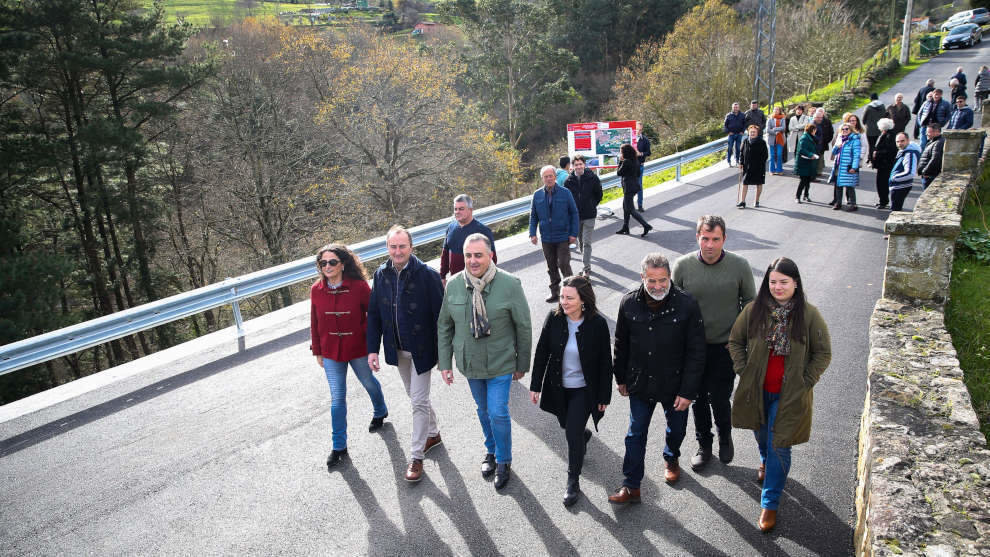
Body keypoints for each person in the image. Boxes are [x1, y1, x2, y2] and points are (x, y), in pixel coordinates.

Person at [728, 257, 831, 533]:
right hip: (758, 392)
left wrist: (806, 381)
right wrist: (744, 369)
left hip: (789, 397)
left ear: (795, 283)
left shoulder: (809, 315)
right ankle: (764, 460)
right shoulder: (753, 311)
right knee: (762, 436)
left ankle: (769, 503)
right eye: (772, 282)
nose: (777, 287)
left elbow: (823, 353)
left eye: (783, 282)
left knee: (778, 445)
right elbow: (735, 342)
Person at [607, 253, 705, 504]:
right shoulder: (628, 303)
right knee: (635, 433)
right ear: (643, 278)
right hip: (641, 382)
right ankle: (631, 486)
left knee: (677, 429)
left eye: (663, 280)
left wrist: (688, 391)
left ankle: (671, 457)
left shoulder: (687, 304)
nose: (658, 286)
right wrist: (620, 377)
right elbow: (620, 343)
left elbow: (696, 351)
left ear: (670, 277)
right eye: (652, 280)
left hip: (675, 385)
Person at [438, 233, 532, 490]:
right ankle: (491, 449)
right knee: (483, 410)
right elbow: (445, 326)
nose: (473, 260)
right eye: (468, 255)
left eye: (478, 255)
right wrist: (445, 363)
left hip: (501, 362)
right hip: (471, 364)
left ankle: (504, 460)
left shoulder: (510, 284)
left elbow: (523, 326)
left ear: (490, 255)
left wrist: (522, 363)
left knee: (498, 411)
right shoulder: (454, 285)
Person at [672, 216, 756, 471]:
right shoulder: (683, 266)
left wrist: (740, 340)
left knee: (719, 397)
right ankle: (704, 445)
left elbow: (750, 305)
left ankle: (724, 436)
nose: (709, 245)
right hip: (693, 348)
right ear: (697, 237)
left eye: (715, 239)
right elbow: (674, 306)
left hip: (725, 346)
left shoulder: (740, 266)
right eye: (704, 238)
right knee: (697, 398)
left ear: (724, 239)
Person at [367, 226, 445, 482]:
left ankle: (416, 457)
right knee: (415, 396)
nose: (397, 251)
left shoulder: (427, 276)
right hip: (397, 349)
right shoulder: (381, 275)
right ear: (387, 248)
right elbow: (375, 315)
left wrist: (445, 355)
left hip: (423, 350)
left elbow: (442, 319)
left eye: (402, 246)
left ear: (411, 247)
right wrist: (372, 349)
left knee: (417, 402)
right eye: (393, 246)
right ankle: (432, 433)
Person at [529, 275, 613, 507]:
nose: (563, 302)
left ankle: (573, 480)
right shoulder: (553, 319)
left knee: (571, 433)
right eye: (562, 297)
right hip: (559, 387)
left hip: (584, 390)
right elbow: (542, 353)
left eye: (569, 298)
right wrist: (535, 385)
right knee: (569, 426)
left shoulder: (597, 324)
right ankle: (581, 435)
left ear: (583, 300)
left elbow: (606, 362)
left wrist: (604, 396)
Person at [311, 244, 389, 469]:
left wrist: (369, 341)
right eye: (323, 263)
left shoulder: (359, 287)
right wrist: (317, 350)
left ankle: (380, 410)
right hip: (331, 352)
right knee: (337, 399)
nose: (327, 266)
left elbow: (373, 316)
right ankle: (339, 446)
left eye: (332, 262)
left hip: (357, 347)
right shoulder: (316, 290)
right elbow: (314, 322)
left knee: (369, 383)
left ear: (343, 264)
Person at [530, 165, 579, 303]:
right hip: (546, 238)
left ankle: (572, 291)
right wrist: (532, 233)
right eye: (546, 177)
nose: (548, 179)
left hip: (563, 236)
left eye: (551, 176)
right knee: (551, 266)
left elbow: (574, 213)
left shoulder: (565, 193)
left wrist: (573, 233)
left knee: (564, 264)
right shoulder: (537, 194)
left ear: (555, 177)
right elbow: (533, 216)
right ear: (542, 179)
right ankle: (555, 292)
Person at [440, 194, 497, 287]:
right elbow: (445, 254)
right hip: (456, 281)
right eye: (455, 209)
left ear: (470, 210)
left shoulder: (482, 230)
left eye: (461, 209)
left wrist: (485, 281)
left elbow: (492, 258)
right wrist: (442, 276)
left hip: (478, 283)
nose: (457, 212)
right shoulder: (450, 228)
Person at [563, 155, 603, 277]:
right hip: (576, 217)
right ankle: (585, 264)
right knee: (580, 241)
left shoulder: (592, 178)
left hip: (589, 215)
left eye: (581, 164)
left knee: (586, 242)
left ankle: (586, 268)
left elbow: (599, 194)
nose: (579, 167)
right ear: (573, 166)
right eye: (576, 165)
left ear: (584, 165)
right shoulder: (568, 181)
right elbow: (566, 200)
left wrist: (592, 204)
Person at [615, 143, 652, 237]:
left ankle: (646, 225)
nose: (620, 154)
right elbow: (638, 174)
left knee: (630, 209)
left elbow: (619, 173)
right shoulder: (636, 160)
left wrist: (620, 162)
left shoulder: (626, 162)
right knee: (625, 207)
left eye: (621, 152)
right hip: (635, 186)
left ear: (624, 153)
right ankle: (625, 227)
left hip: (629, 188)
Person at [830, 122, 861, 211]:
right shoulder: (840, 139)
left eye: (846, 129)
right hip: (839, 166)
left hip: (848, 166)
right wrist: (837, 146)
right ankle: (838, 203)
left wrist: (854, 167)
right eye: (843, 129)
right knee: (838, 185)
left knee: (849, 186)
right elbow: (834, 152)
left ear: (851, 130)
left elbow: (856, 155)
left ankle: (853, 204)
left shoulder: (855, 140)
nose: (844, 131)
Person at [738, 124, 768, 209]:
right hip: (747, 167)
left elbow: (765, 155)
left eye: (754, 132)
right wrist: (740, 163)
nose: (752, 133)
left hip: (758, 167)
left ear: (757, 133)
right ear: (748, 132)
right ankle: (742, 201)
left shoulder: (762, 142)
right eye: (751, 132)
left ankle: (756, 201)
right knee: (744, 183)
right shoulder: (745, 141)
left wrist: (760, 164)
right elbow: (741, 153)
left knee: (759, 184)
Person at [888, 132, 920, 211]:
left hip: (901, 186)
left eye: (902, 141)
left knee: (895, 210)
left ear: (908, 141)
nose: (900, 144)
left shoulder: (909, 153)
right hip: (898, 185)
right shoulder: (904, 151)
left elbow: (910, 173)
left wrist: (894, 178)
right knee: (895, 209)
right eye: (897, 142)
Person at [872, 118, 897, 210]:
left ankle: (883, 201)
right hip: (884, 164)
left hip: (885, 164)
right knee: (881, 183)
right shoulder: (888, 134)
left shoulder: (889, 136)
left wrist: (877, 153)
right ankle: (883, 201)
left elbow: (890, 150)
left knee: (882, 183)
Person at [794, 123, 820, 203]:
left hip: (809, 162)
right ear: (812, 130)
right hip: (803, 163)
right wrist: (811, 155)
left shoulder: (811, 137)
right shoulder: (805, 138)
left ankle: (806, 195)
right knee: (803, 181)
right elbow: (802, 150)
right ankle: (797, 197)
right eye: (815, 130)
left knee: (808, 180)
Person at [918, 123, 945, 190]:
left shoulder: (938, 143)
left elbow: (935, 159)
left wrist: (925, 172)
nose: (926, 134)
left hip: (929, 176)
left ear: (936, 132)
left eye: (928, 132)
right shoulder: (933, 141)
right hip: (928, 175)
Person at [862, 93, 886, 163]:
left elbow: (864, 119)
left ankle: (870, 159)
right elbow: (885, 116)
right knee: (878, 144)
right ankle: (874, 157)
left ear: (871, 98)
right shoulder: (882, 106)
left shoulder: (868, 107)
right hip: (880, 129)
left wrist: (865, 124)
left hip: (870, 130)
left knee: (871, 145)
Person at [811, 108, 834, 177]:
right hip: (814, 145)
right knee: (816, 158)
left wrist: (827, 140)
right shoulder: (811, 124)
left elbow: (831, 132)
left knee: (820, 157)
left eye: (820, 116)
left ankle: (819, 171)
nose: (819, 118)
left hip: (823, 143)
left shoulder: (827, 121)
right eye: (818, 117)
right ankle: (814, 172)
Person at [724, 102, 746, 167]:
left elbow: (745, 124)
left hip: (739, 134)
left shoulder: (742, 115)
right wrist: (728, 132)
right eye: (734, 107)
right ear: (732, 108)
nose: (735, 108)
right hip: (731, 134)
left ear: (739, 108)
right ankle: (729, 161)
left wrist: (742, 131)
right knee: (730, 148)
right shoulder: (728, 115)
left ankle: (737, 161)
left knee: (738, 148)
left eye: (736, 107)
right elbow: (725, 125)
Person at [766, 106, 787, 175]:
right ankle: (772, 170)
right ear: (773, 111)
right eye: (775, 109)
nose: (776, 110)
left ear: (780, 111)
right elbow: (768, 130)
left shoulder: (783, 119)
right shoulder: (770, 119)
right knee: (772, 155)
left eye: (777, 109)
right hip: (771, 139)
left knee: (779, 154)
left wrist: (774, 128)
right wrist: (775, 132)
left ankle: (779, 170)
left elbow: (783, 128)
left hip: (780, 139)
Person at [636, 122, 651, 211]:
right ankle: (628, 207)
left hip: (640, 166)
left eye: (640, 129)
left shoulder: (645, 140)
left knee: (639, 186)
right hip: (630, 167)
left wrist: (640, 153)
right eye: (637, 129)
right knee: (628, 187)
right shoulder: (630, 139)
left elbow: (648, 152)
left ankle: (640, 205)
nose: (638, 131)